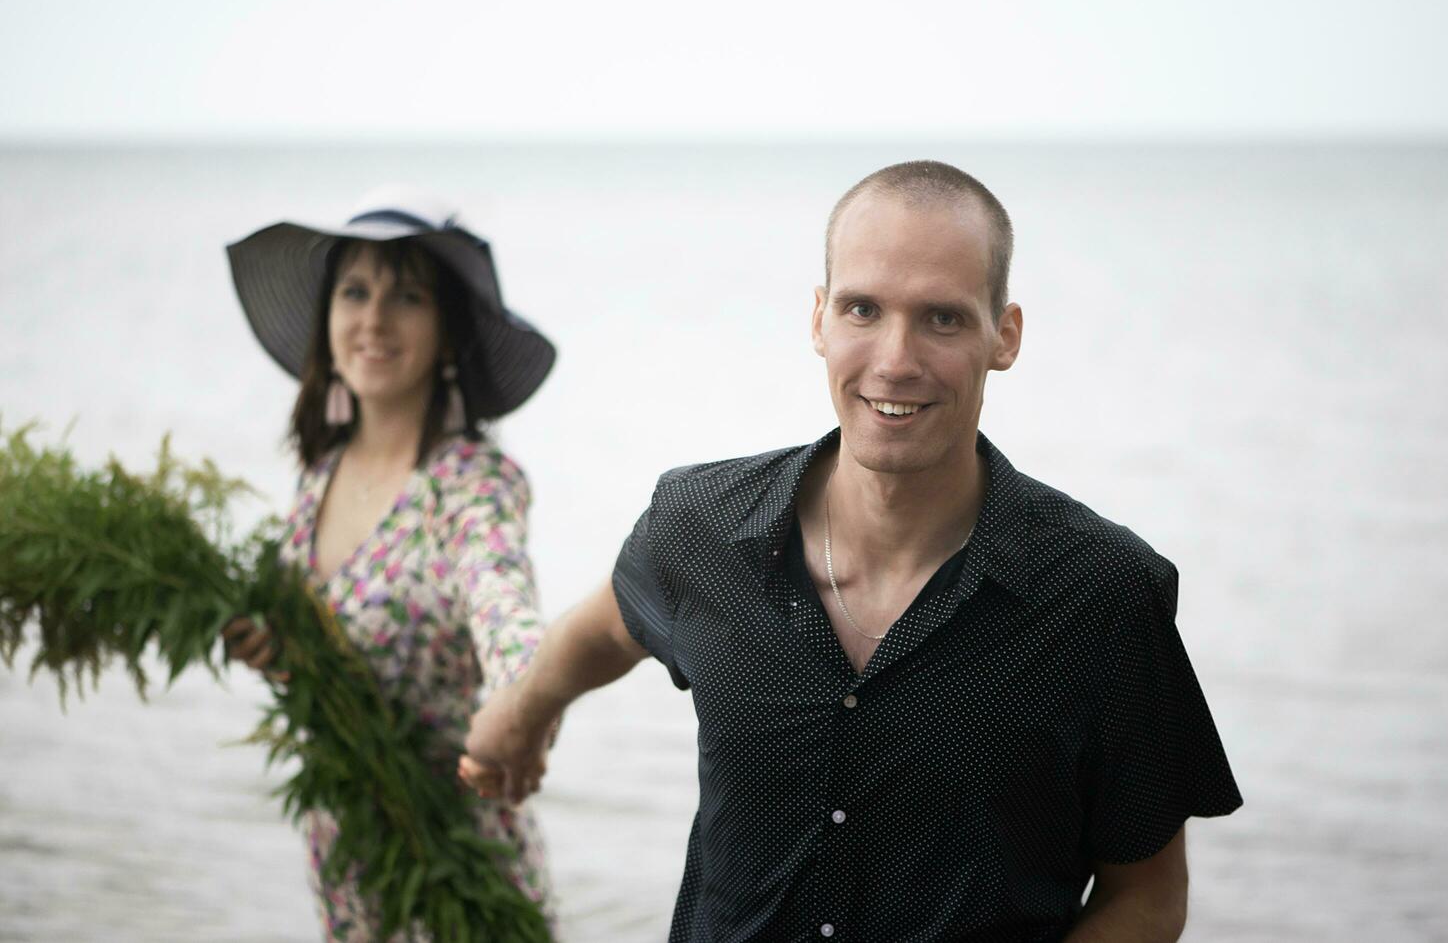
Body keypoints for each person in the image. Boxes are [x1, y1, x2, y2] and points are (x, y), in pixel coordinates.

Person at [459, 161, 1243, 942]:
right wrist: (518, 719)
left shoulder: (1102, 593)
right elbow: (601, 630)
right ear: (818, 321)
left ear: (1004, 337)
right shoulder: (698, 526)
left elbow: (1146, 897)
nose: (896, 359)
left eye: (942, 318)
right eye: (863, 309)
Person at [221, 188, 557, 941]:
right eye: (355, 291)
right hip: (348, 853)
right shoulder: (319, 473)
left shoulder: (469, 481)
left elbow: (502, 602)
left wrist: (525, 701)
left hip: (452, 860)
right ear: (327, 319)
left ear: (446, 332)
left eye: (406, 297)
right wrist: (272, 650)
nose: (373, 319)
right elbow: (331, 653)